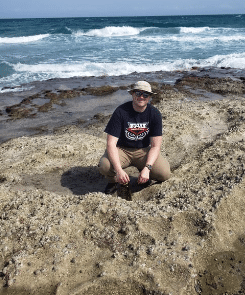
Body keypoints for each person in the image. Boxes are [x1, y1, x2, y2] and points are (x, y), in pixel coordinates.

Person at [98, 81, 171, 199]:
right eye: (138, 93)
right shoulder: (120, 112)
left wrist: (147, 168)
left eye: (145, 95)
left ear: (150, 97)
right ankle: (112, 182)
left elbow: (155, 146)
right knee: (104, 166)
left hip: (143, 150)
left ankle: (144, 175)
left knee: (164, 174)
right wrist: (119, 171)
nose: (141, 97)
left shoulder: (155, 114)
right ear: (132, 94)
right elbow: (111, 144)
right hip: (122, 149)